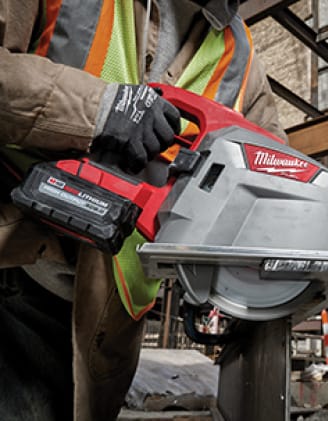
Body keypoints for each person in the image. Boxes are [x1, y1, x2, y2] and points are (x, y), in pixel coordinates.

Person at [0, 0, 286, 420]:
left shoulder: (239, 54)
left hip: (106, 312)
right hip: (14, 261)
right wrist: (99, 108)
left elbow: (275, 170)